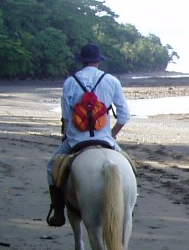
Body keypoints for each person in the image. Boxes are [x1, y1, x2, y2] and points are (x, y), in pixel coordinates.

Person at [45, 43, 131, 227]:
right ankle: (129, 205)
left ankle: (58, 212)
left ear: (82, 61)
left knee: (51, 168)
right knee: (129, 166)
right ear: (98, 61)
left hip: (77, 141)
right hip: (105, 139)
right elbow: (124, 115)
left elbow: (67, 117)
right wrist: (112, 134)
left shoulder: (70, 82)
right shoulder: (111, 81)